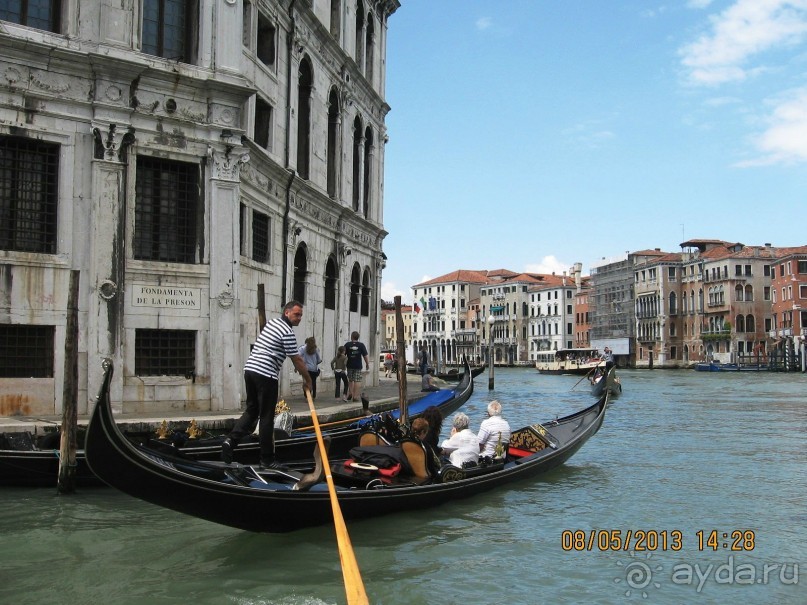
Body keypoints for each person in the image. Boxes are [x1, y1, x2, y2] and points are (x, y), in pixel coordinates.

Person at [221, 300, 312, 470]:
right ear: (287, 312)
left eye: (300, 315)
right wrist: (308, 380)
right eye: (296, 314)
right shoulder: (287, 332)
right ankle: (267, 459)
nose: (299, 318)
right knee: (266, 417)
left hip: (250, 370)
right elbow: (298, 360)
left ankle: (230, 441)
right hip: (266, 374)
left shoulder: (272, 323)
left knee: (252, 410)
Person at [344, 331, 369, 404]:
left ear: (351, 337)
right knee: (357, 380)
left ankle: (350, 393)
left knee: (350, 379)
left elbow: (343, 355)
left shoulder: (347, 345)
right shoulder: (361, 345)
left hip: (349, 365)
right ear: (358, 337)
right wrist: (367, 364)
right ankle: (355, 396)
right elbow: (365, 355)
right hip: (358, 365)